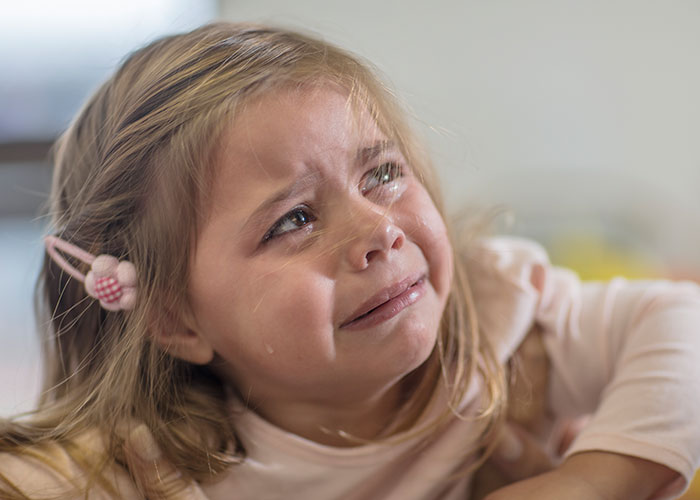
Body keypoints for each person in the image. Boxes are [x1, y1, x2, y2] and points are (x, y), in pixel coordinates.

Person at [1, 22, 699, 500]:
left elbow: (685, 319)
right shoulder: (143, 467)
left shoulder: (506, 320)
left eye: (382, 174)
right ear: (175, 318)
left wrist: (597, 478)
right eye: (295, 219)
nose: (379, 230)